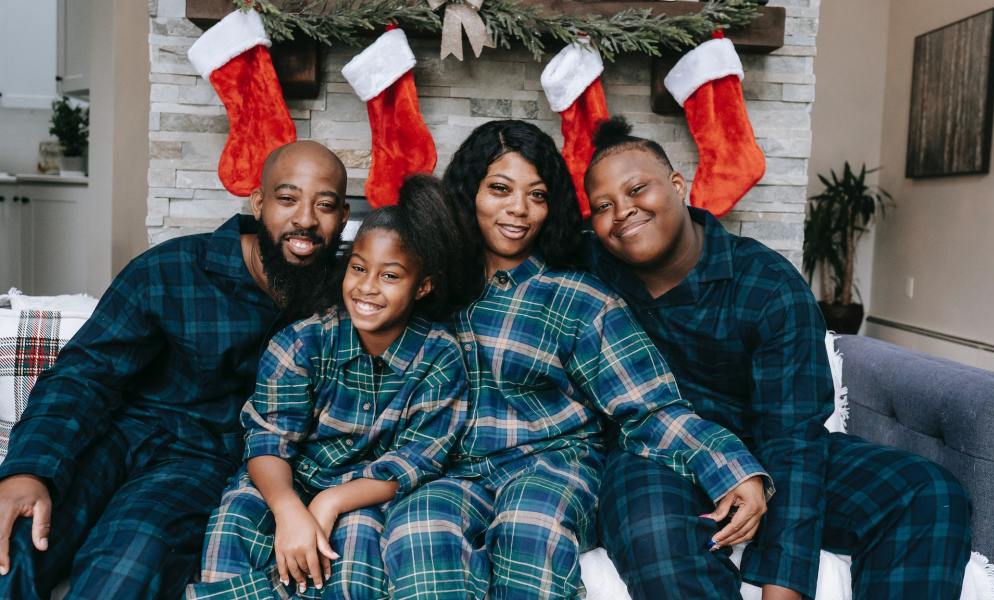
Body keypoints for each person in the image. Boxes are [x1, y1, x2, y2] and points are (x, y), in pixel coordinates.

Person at [381, 120, 772, 600]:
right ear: (469, 194)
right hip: (457, 471)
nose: (519, 210)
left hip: (555, 467)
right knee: (417, 524)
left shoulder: (578, 298)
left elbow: (648, 406)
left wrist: (733, 470)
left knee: (529, 526)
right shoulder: (433, 289)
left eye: (538, 195)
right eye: (499, 189)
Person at [584, 117, 972, 600]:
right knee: (654, 534)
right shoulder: (591, 267)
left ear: (679, 186)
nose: (622, 211)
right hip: (654, 455)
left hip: (769, 446)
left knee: (926, 492)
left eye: (637, 188)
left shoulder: (766, 283)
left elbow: (793, 437)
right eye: (603, 206)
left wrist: (782, 587)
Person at [0, 140, 351, 599]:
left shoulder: (350, 298)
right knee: (12, 546)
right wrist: (27, 471)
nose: (305, 218)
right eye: (287, 199)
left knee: (123, 574)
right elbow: (84, 375)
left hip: (200, 463)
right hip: (115, 436)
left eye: (323, 205)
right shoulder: (171, 269)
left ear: (343, 217)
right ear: (259, 203)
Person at [187, 175, 475, 600]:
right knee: (235, 519)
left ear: (423, 286)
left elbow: (416, 461)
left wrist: (330, 502)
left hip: (366, 493)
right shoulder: (303, 341)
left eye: (390, 276)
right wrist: (289, 511)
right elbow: (268, 440)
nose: (367, 287)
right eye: (359, 268)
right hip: (287, 479)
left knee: (353, 552)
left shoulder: (440, 355)